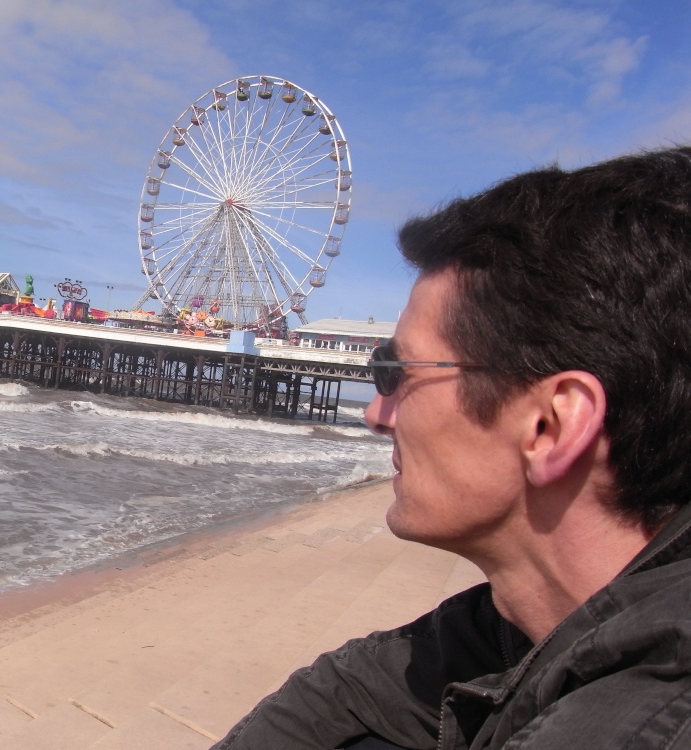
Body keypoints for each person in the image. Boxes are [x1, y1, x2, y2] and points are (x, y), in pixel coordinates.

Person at [211, 146, 691, 749]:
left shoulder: (642, 725)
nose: (375, 415)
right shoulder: (522, 625)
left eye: (396, 373)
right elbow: (345, 693)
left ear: (550, 425)